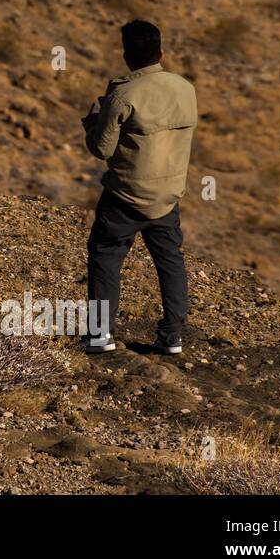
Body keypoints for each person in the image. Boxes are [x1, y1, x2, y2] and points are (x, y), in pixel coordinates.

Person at [80, 20, 197, 355]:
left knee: (106, 255)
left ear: (126, 56)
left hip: (125, 195)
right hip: (168, 195)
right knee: (170, 261)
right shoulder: (185, 88)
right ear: (160, 52)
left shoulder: (123, 94)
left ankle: (100, 334)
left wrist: (92, 125)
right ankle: (172, 335)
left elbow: (101, 149)